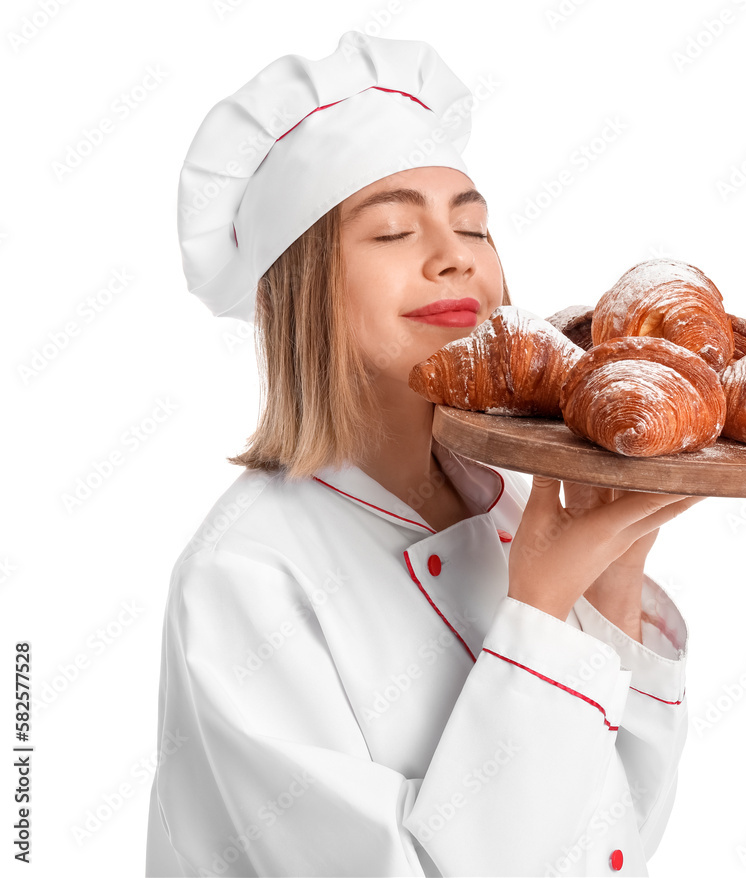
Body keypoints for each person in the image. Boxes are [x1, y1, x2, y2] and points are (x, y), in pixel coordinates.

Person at [146, 30, 699, 877]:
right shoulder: (246, 577)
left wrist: (610, 590)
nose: (454, 258)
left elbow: (610, 844)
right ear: (300, 291)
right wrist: (544, 610)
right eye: (395, 232)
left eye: (474, 227)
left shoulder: (517, 505)